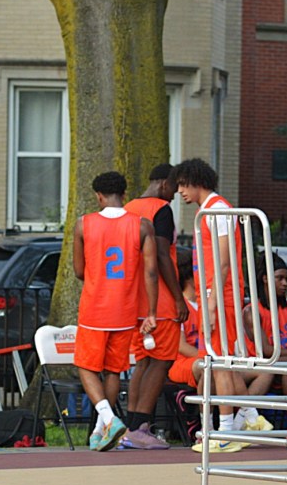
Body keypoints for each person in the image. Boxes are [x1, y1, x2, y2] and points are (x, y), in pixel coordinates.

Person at [172, 158, 260, 452]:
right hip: (215, 295)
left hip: (221, 296)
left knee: (220, 363)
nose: (180, 191)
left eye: (183, 185)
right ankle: (244, 419)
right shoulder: (208, 211)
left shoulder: (218, 210)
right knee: (217, 363)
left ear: (196, 181)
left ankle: (227, 430)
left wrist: (210, 303)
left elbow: (223, 260)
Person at [72, 171, 158, 452]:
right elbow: (151, 272)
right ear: (124, 194)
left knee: (86, 366)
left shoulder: (84, 224)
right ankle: (101, 431)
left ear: (98, 196)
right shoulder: (143, 225)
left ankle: (109, 418)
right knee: (112, 370)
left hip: (95, 308)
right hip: (125, 309)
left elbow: (79, 271)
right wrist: (152, 312)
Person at [118, 164, 188, 450]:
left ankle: (132, 427)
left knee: (143, 362)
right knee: (160, 362)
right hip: (158, 301)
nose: (175, 194)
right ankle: (141, 427)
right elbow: (161, 254)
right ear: (163, 184)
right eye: (174, 188)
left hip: (133, 300)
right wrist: (179, 297)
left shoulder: (128, 209)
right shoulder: (161, 209)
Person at [242, 254, 287, 429]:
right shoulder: (252, 311)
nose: (285, 283)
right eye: (279, 278)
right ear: (265, 279)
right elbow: (267, 351)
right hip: (260, 366)